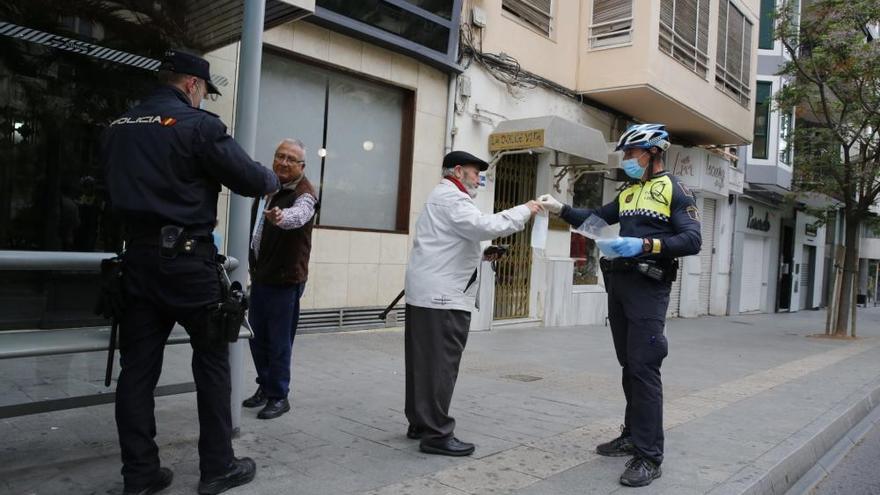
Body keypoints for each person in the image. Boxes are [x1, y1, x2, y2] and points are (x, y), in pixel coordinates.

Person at [101, 50, 280, 495]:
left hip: (136, 262)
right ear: (192, 86)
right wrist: (275, 180)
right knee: (212, 364)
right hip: (187, 264)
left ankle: (140, 476)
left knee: (137, 372)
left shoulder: (118, 127)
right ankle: (217, 467)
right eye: (204, 92)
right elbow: (252, 180)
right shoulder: (199, 126)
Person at [539, 124, 701, 487]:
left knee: (645, 367)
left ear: (653, 153)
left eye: (632, 154)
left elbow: (692, 240)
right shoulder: (629, 193)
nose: (627, 160)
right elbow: (596, 220)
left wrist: (645, 246)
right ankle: (632, 434)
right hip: (619, 284)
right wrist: (560, 207)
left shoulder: (674, 190)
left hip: (648, 285)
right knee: (629, 364)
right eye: (626, 154)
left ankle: (649, 456)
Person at [404, 150, 542, 457]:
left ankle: (420, 422)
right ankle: (437, 433)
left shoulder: (441, 197)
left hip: (429, 293)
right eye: (474, 171)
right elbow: (484, 226)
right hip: (442, 298)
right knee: (440, 366)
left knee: (422, 364)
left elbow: (447, 244)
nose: (479, 177)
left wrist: (481, 255)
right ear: (457, 171)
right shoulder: (453, 199)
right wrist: (526, 209)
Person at [242, 138, 317, 420]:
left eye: (290, 159)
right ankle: (265, 386)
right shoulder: (269, 186)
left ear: (301, 166)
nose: (283, 162)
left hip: (286, 279)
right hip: (261, 276)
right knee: (255, 336)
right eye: (280, 156)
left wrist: (281, 217)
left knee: (279, 340)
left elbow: (299, 216)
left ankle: (279, 395)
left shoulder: (305, 192)